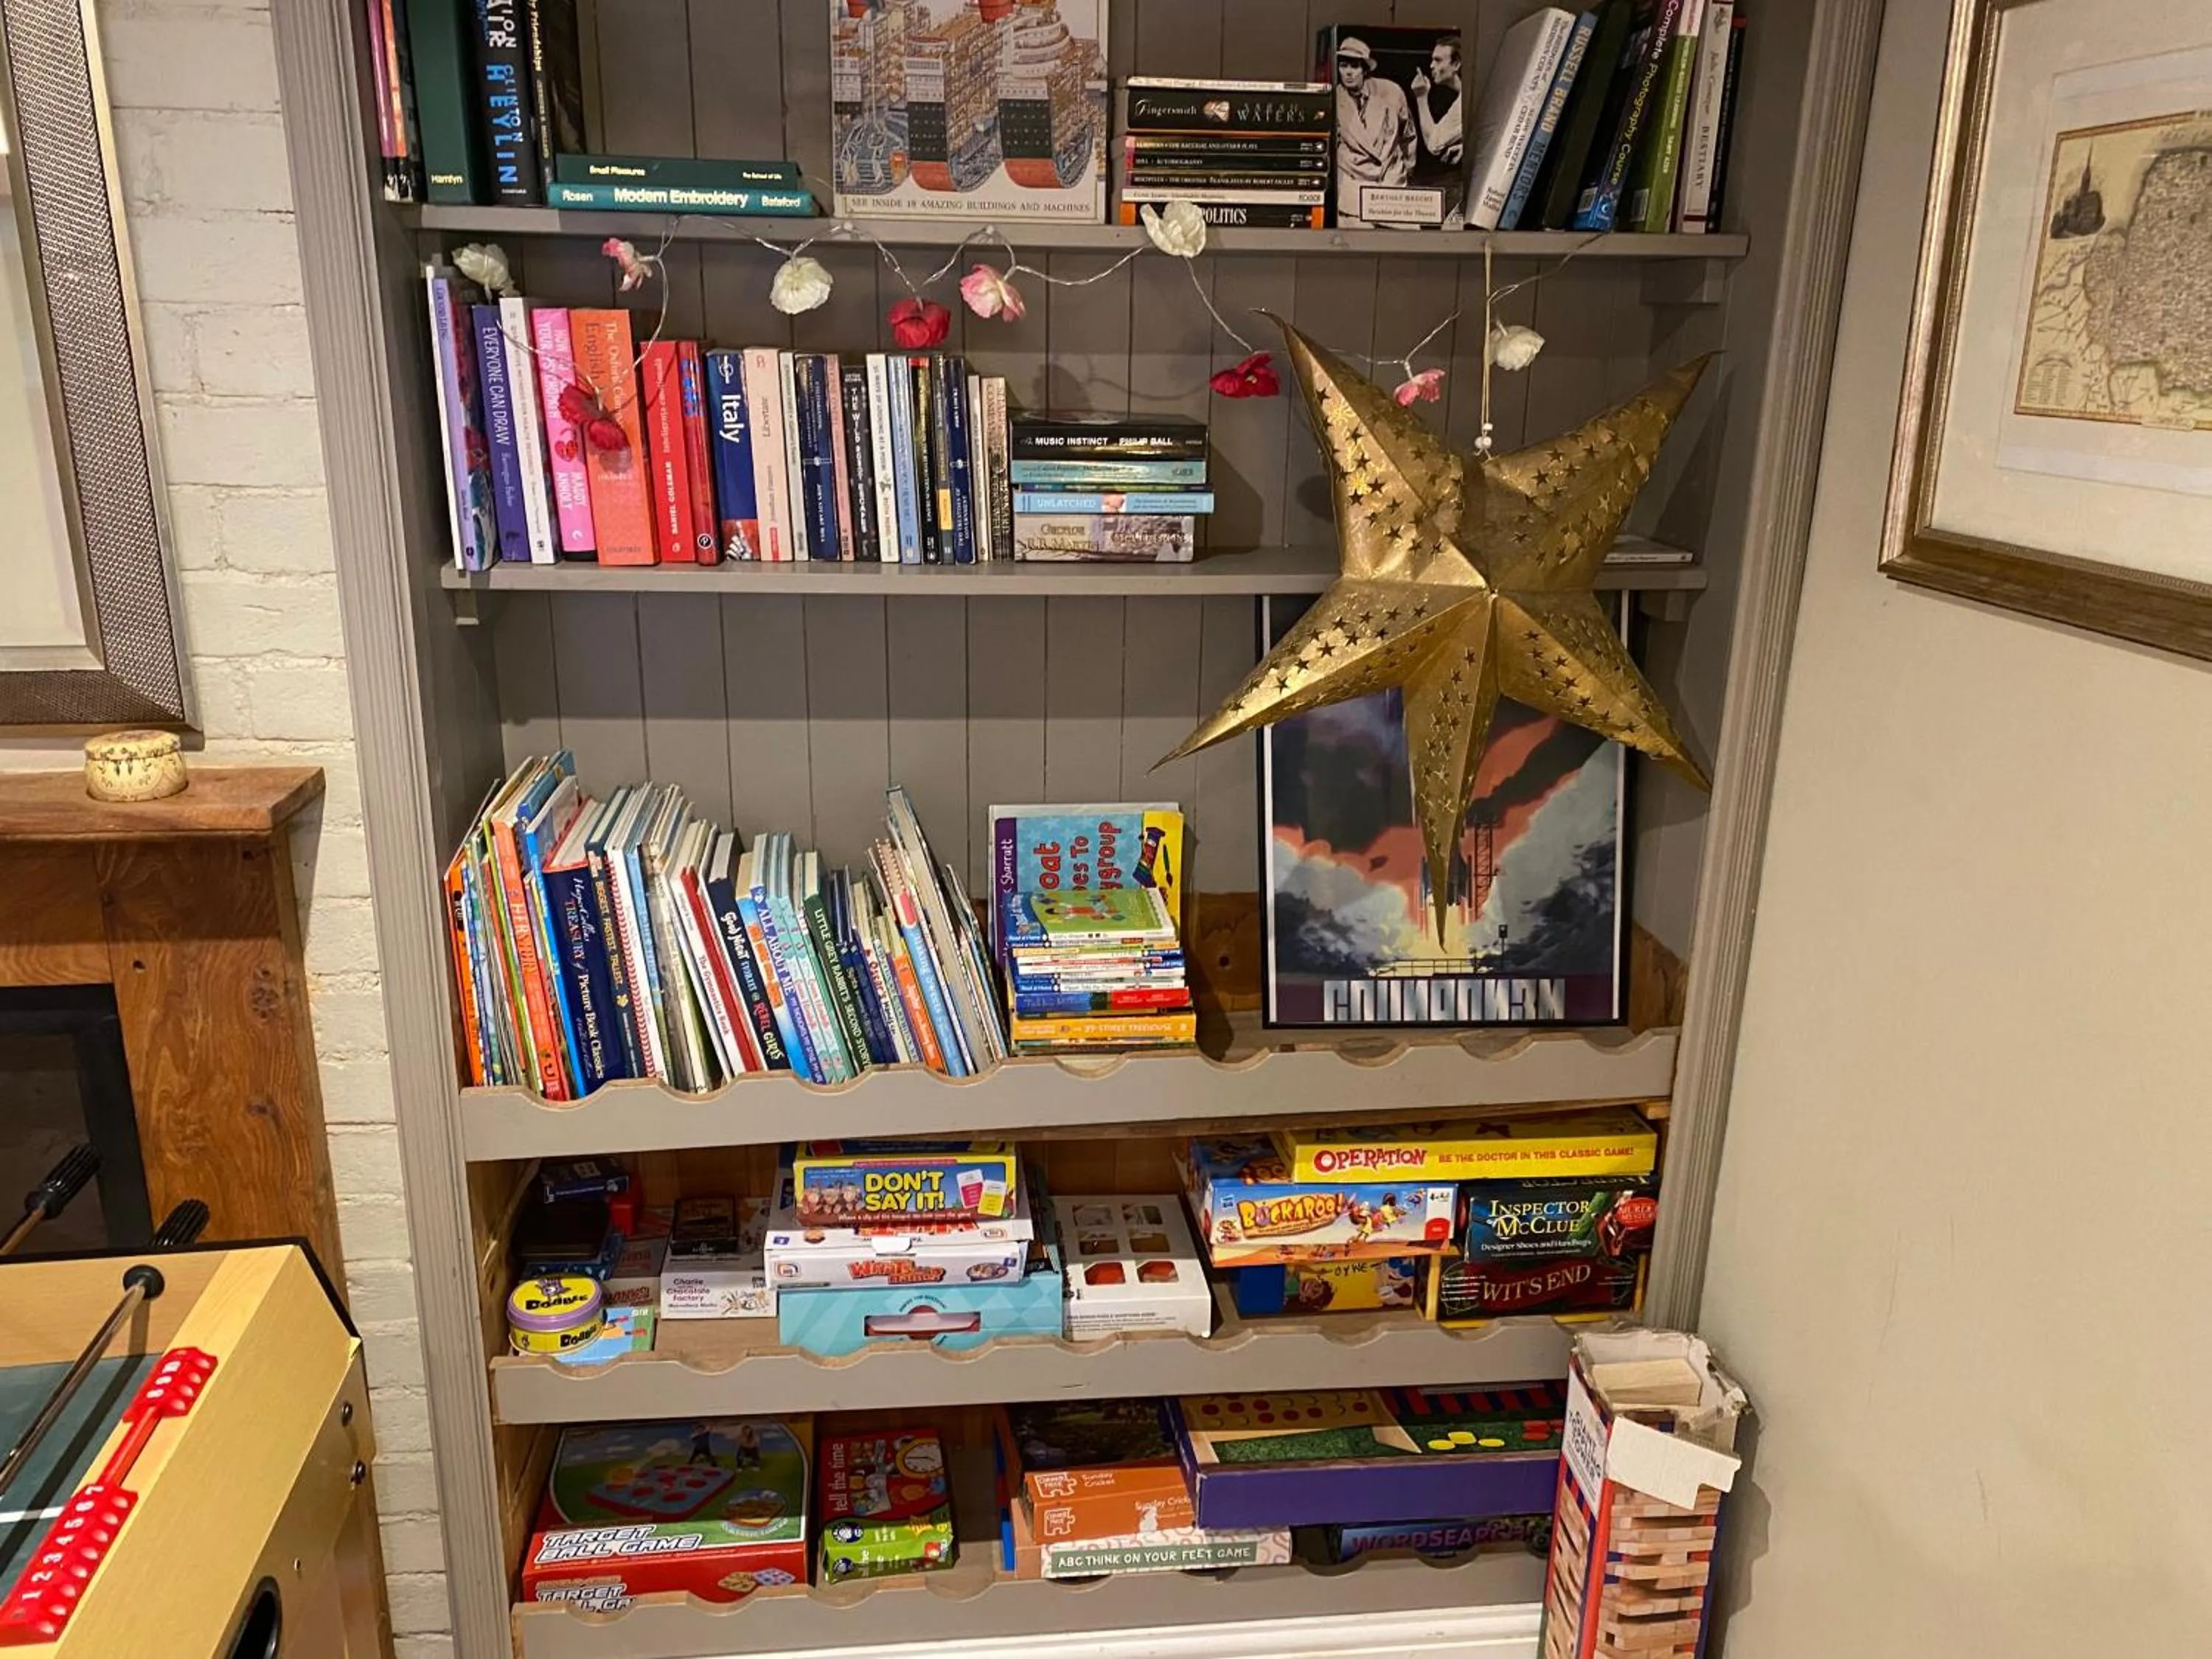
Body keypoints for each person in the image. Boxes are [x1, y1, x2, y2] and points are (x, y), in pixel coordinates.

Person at [1332, 36, 1414, 228]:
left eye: (1355, 66)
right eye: (1343, 66)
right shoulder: (1334, 100)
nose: (1348, 72)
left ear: (1365, 69)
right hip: (1354, 186)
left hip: (1391, 183)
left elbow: (1408, 136)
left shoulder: (1391, 92)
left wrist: (1404, 171)